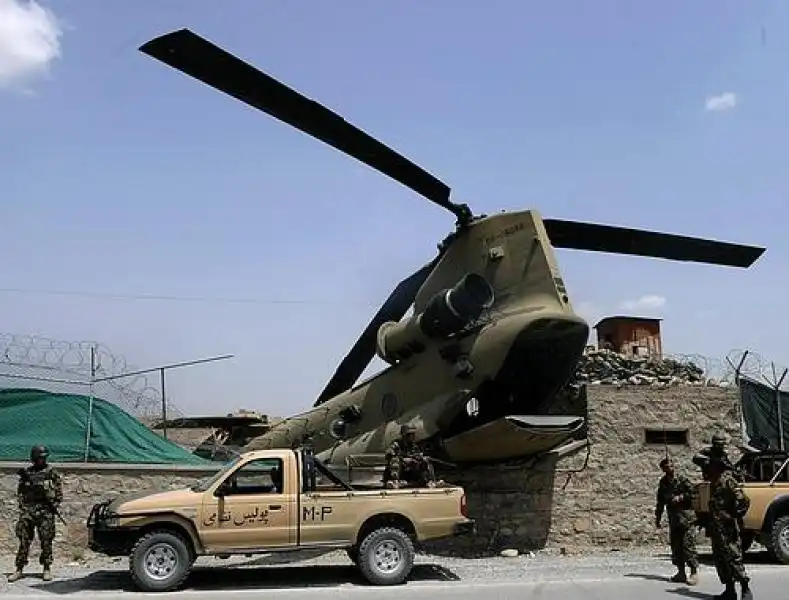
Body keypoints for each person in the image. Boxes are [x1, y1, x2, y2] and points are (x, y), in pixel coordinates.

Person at [8, 444, 63, 583]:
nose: (42, 461)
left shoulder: (51, 472)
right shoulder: (27, 473)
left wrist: (52, 505)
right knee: (24, 540)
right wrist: (23, 507)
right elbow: (20, 492)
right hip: (29, 511)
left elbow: (59, 494)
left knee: (46, 540)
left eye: (44, 458)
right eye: (39, 458)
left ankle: (46, 568)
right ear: (34, 458)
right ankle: (19, 569)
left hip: (45, 511)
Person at [707, 454, 752, 600]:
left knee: (734, 559)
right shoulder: (713, 483)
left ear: (717, 467)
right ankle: (729, 591)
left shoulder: (728, 481)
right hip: (716, 529)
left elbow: (744, 500)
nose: (708, 469)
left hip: (728, 529)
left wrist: (733, 516)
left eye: (711, 466)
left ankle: (745, 589)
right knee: (721, 560)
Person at [654, 457, 700, 585]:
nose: (670, 468)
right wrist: (657, 518)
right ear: (663, 469)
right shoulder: (663, 483)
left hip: (687, 518)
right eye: (667, 467)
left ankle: (694, 573)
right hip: (674, 519)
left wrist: (681, 497)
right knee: (676, 547)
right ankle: (681, 573)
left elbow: (694, 492)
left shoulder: (682, 479)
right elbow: (660, 502)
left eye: (671, 466)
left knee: (688, 545)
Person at [384, 424, 437, 488]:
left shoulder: (414, 446)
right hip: (401, 470)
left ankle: (429, 481)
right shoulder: (397, 444)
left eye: (413, 434)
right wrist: (402, 458)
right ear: (405, 435)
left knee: (425, 461)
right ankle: (394, 481)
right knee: (395, 461)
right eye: (410, 434)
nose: (413, 436)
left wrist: (420, 457)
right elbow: (388, 455)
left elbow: (418, 455)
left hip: (410, 472)